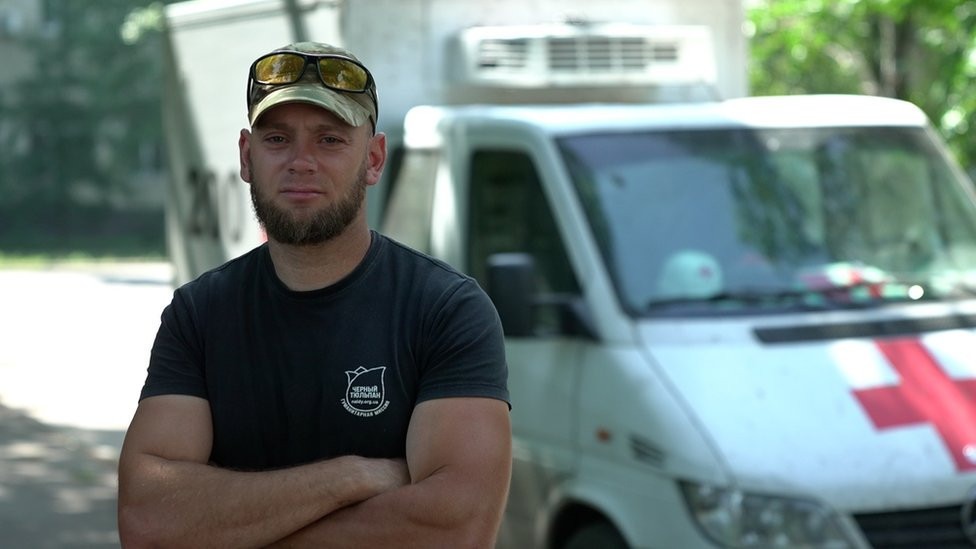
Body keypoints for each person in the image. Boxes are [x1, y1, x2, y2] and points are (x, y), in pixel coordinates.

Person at [117, 41, 512, 548]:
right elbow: (148, 521)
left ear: (373, 160)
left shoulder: (446, 311)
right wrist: (351, 476)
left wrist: (228, 529)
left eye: (329, 140)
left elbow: (457, 529)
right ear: (246, 155)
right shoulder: (199, 314)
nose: (301, 162)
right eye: (278, 138)